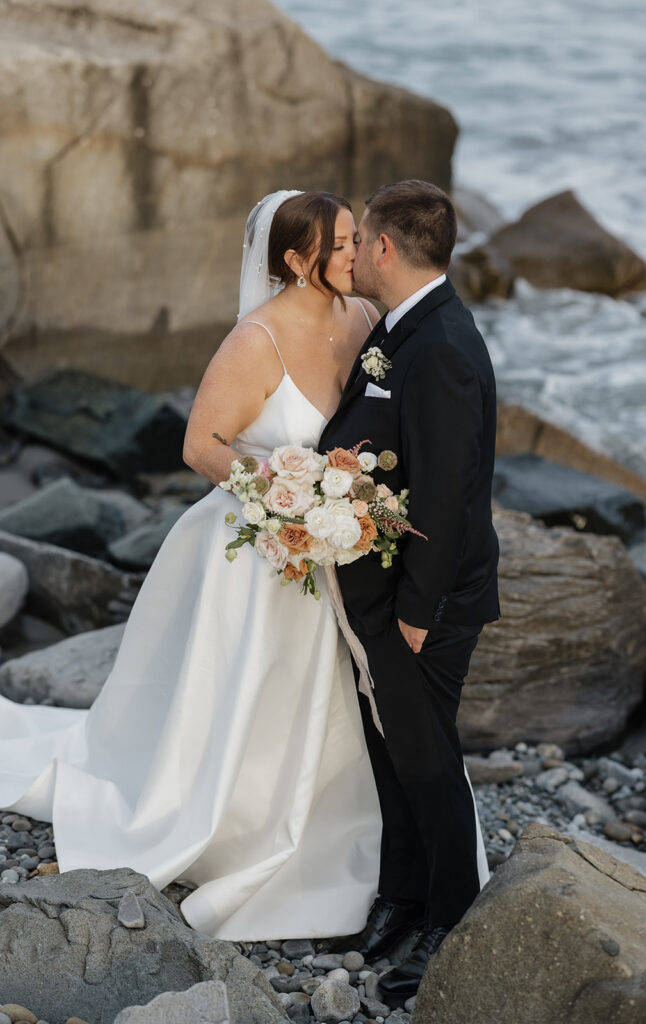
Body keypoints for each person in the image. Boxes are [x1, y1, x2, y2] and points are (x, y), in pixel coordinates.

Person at [0, 189, 387, 940]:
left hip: (342, 542)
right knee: (250, 688)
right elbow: (202, 446)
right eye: (340, 244)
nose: (355, 251)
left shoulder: (365, 319)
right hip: (259, 550)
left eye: (354, 238)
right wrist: (286, 499)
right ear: (296, 260)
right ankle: (238, 822)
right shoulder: (257, 340)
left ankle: (347, 817)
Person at [317, 179, 500, 1007]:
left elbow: (450, 494)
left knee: (426, 761)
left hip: (426, 604)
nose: (349, 255)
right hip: (382, 594)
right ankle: (406, 894)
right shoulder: (401, 330)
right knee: (391, 749)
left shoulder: (445, 348)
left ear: (386, 248)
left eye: (359, 244)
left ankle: (453, 919)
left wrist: (419, 613)